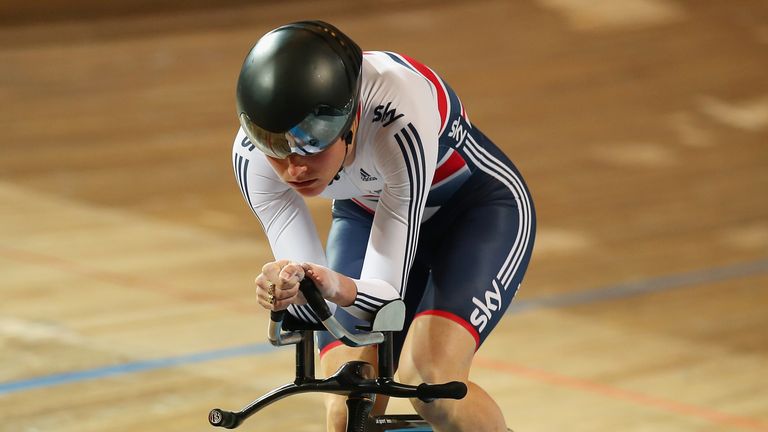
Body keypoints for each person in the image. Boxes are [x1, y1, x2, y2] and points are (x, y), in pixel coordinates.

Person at [232, 20, 535, 432]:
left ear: (351, 120)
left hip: (475, 213)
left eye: (312, 141)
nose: (293, 167)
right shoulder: (251, 159)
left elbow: (383, 297)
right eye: (275, 146)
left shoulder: (398, 116)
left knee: (429, 381)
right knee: (348, 406)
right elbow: (312, 301)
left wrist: (328, 285)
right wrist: (289, 286)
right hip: (369, 214)